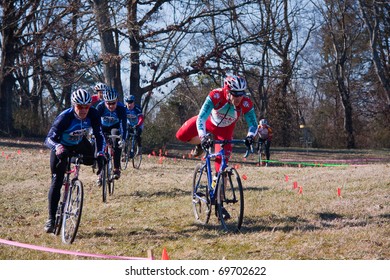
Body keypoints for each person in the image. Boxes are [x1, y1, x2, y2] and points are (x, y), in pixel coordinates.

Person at [176, 75, 258, 217]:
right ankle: (201, 146)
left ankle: (219, 205)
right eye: (235, 94)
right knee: (181, 135)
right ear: (227, 90)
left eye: (241, 94)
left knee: (222, 169)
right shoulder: (216, 95)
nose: (238, 98)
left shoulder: (245, 103)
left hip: (224, 133)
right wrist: (202, 136)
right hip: (207, 123)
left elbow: (253, 124)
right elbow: (201, 117)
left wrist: (250, 136)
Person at [44, 88, 106, 233]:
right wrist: (58, 147)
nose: (84, 110)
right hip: (61, 146)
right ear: (74, 105)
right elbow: (48, 139)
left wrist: (101, 154)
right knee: (57, 180)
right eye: (80, 107)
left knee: (92, 159)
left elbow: (99, 135)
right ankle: (51, 219)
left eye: (87, 106)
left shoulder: (93, 114)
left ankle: (74, 171)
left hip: (79, 143)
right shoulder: (65, 117)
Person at [96, 87, 127, 181]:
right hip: (103, 127)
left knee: (117, 139)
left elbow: (124, 125)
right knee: (99, 146)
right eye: (108, 103)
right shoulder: (100, 107)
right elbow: (96, 124)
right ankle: (100, 171)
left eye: (113, 103)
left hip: (115, 127)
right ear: (104, 101)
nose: (110, 106)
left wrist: (123, 139)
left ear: (117, 100)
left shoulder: (121, 108)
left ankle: (116, 168)